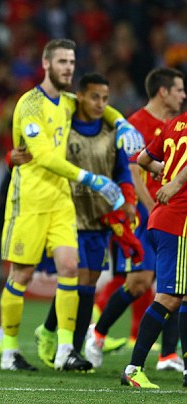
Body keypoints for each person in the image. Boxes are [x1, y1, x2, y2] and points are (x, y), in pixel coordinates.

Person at [0, 38, 138, 372]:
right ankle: (9, 351)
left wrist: (121, 122)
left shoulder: (68, 102)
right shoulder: (29, 105)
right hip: (29, 200)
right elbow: (43, 156)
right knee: (22, 274)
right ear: (46, 64)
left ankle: (64, 350)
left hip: (61, 200)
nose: (68, 68)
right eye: (62, 62)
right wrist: (91, 179)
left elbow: (96, 107)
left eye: (72, 62)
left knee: (70, 268)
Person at [27, 73, 137, 367]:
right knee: (71, 275)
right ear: (80, 97)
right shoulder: (65, 127)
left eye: (105, 98)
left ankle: (62, 342)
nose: (100, 104)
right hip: (68, 210)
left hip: (99, 215)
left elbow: (122, 170)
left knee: (89, 281)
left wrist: (127, 199)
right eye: (94, 97)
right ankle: (59, 341)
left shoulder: (112, 131)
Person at [85, 67, 186, 371]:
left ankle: (168, 355)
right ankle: (98, 334)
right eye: (179, 89)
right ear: (163, 91)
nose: (183, 95)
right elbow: (132, 171)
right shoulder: (136, 124)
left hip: (167, 213)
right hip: (150, 214)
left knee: (173, 285)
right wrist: (149, 205)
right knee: (142, 283)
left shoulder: (172, 125)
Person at [121, 104, 187, 389]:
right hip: (179, 222)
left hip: (164, 219)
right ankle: (133, 368)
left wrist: (165, 171)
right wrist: (174, 183)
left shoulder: (174, 124)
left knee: (183, 297)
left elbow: (144, 159)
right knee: (170, 297)